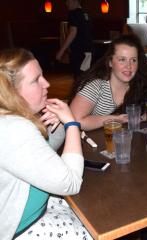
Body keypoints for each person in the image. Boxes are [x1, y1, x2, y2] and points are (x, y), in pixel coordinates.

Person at [0, 48, 92, 240]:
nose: (47, 83)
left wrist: (56, 122)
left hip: (40, 210)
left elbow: (43, 153)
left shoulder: (11, 118)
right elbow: (71, 183)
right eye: (36, 80)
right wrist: (72, 124)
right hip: (24, 228)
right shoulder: (14, 129)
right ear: (11, 91)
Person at [69, 34, 147, 131]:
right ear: (110, 62)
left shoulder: (143, 84)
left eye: (133, 60)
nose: (129, 66)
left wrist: (144, 116)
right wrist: (115, 119)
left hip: (129, 142)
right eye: (122, 60)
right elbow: (74, 120)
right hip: (92, 144)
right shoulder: (95, 86)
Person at [56, 0, 93, 78]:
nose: (66, 4)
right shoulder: (86, 14)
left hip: (79, 52)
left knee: (79, 78)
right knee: (84, 77)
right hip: (88, 51)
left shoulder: (73, 13)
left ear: (75, 1)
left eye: (68, 1)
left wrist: (61, 51)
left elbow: (72, 33)